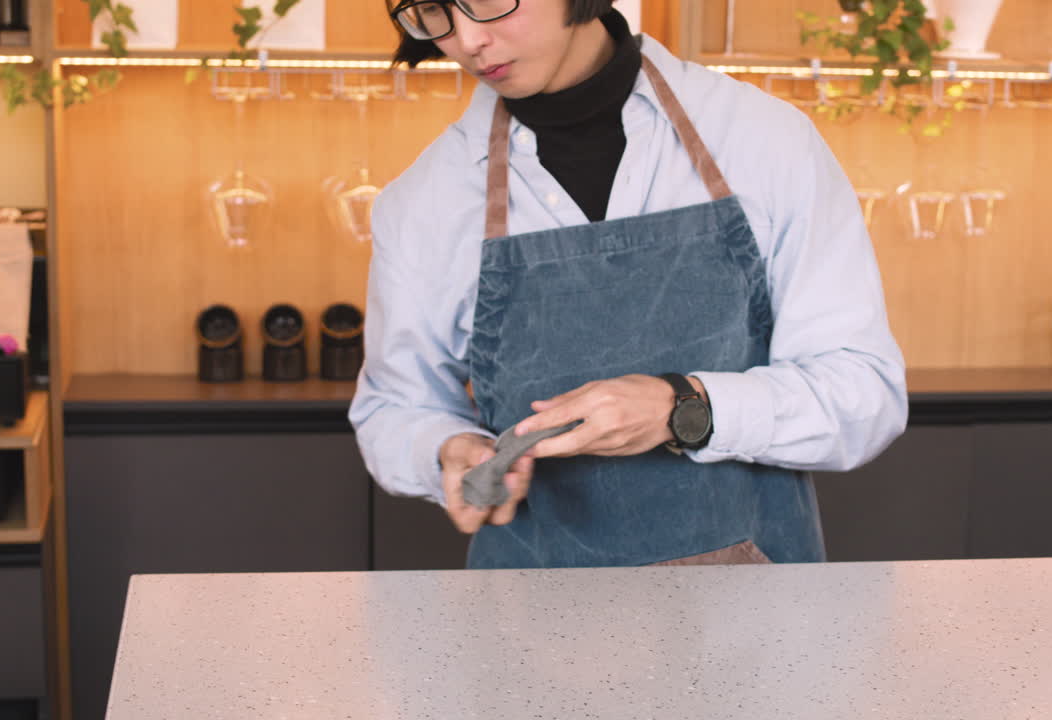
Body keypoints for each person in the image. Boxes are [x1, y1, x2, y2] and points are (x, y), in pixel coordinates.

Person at [349, 0, 908, 569]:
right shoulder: (423, 200)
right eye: (430, 13)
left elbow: (862, 394)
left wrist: (683, 407)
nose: (466, 40)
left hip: (755, 620)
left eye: (489, 1)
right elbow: (394, 407)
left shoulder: (763, 139)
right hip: (529, 630)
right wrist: (444, 448)